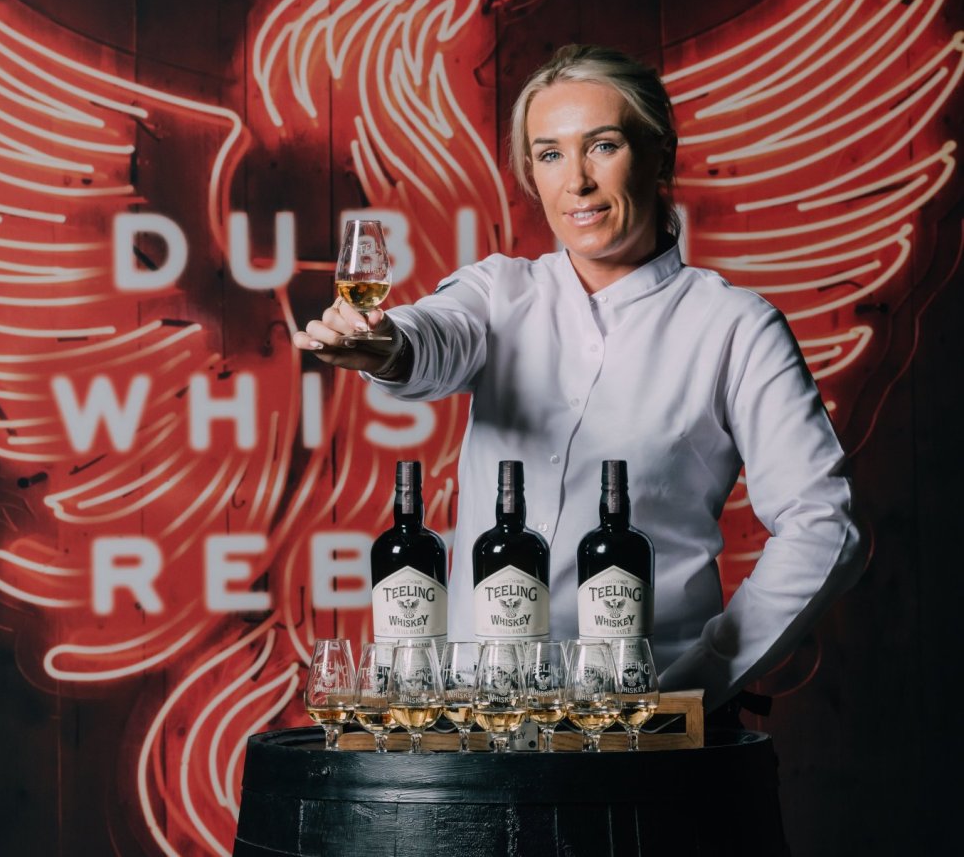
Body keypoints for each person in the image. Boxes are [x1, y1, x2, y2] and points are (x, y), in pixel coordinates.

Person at [291, 43, 864, 720]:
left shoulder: (735, 326)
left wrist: (701, 680)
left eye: (603, 146)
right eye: (551, 153)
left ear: (661, 154)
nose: (577, 182)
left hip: (648, 736)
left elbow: (824, 523)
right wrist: (387, 346)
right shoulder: (500, 291)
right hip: (484, 724)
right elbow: (434, 337)